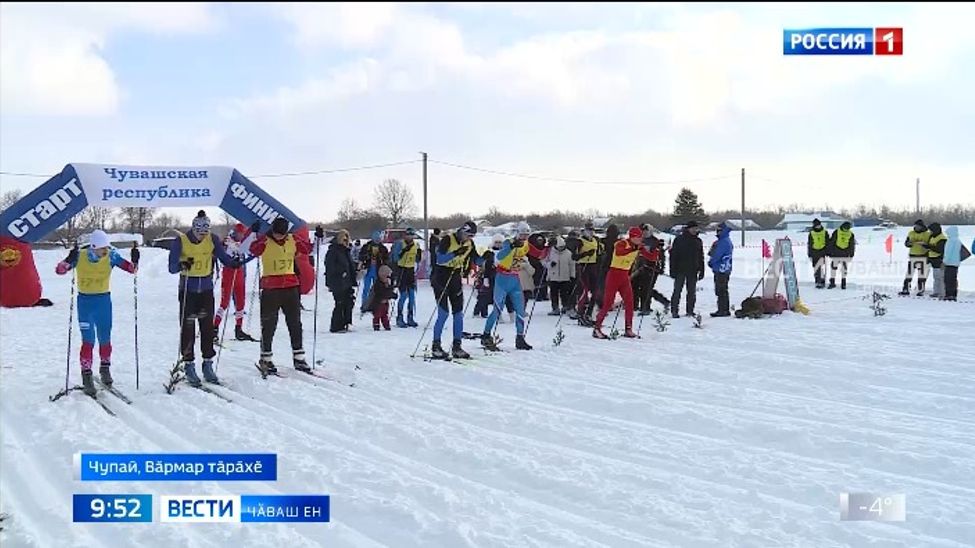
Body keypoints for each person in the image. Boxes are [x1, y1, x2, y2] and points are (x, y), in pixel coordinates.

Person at [55, 230, 138, 396]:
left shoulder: (111, 256)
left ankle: (105, 368)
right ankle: (86, 375)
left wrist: (135, 259)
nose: (105, 252)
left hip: (103, 303)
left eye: (106, 248)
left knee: (105, 338)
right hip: (85, 303)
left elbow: (131, 269)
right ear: (93, 247)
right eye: (102, 249)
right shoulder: (80, 256)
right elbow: (59, 270)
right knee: (88, 341)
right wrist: (68, 260)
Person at [168, 211, 240, 386]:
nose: (202, 236)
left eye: (205, 232)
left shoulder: (212, 239)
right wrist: (182, 265)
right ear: (193, 229)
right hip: (188, 290)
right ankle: (189, 364)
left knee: (207, 328)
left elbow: (223, 258)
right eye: (199, 233)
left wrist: (233, 262)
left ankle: (208, 364)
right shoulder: (181, 241)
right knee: (188, 327)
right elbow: (171, 267)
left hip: (206, 290)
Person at [246, 216, 314, 374]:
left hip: (291, 287)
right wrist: (253, 233)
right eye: (276, 234)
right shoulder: (265, 241)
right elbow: (253, 249)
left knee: (295, 323)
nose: (279, 237)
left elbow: (308, 249)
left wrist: (317, 237)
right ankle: (266, 358)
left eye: (282, 234)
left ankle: (299, 357)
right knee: (269, 324)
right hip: (271, 288)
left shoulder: (293, 239)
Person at [431, 221, 483, 359]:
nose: (470, 238)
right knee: (443, 314)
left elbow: (476, 260)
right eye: (468, 235)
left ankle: (457, 346)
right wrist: (455, 253)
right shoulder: (448, 239)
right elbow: (440, 259)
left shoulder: (470, 244)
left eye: (472, 236)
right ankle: (436, 346)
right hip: (441, 277)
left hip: (455, 277)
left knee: (458, 314)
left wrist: (485, 258)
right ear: (462, 231)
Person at [482, 222, 534, 351]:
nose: (524, 237)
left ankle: (520, 338)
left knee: (520, 310)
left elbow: (533, 254)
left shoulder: (526, 244)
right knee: (497, 309)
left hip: (515, 279)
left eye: (526, 235)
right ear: (517, 233)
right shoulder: (507, 242)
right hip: (502, 279)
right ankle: (486, 335)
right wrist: (511, 246)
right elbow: (499, 256)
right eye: (522, 234)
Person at [593, 227, 643, 339]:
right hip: (614, 275)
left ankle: (628, 329)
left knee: (630, 303)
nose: (640, 239)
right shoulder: (621, 243)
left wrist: (656, 250)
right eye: (638, 237)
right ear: (632, 237)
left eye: (641, 237)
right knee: (608, 303)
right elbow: (620, 252)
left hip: (624, 276)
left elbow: (650, 255)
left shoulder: (637, 245)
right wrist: (634, 248)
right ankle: (597, 328)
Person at [214, 223, 258, 343]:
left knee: (241, 303)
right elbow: (239, 248)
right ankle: (214, 328)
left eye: (242, 234)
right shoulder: (229, 241)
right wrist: (252, 235)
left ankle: (239, 329)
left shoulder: (241, 241)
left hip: (239, 274)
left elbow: (248, 251)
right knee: (225, 303)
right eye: (240, 233)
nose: (241, 236)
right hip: (229, 273)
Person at [669, 221, 704, 319]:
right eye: (693, 228)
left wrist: (702, 270)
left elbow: (701, 257)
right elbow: (673, 256)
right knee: (677, 291)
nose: (695, 230)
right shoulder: (679, 239)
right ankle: (674, 310)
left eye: (696, 228)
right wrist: (672, 270)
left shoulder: (698, 241)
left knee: (691, 292)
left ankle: (690, 310)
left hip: (693, 270)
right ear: (688, 229)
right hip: (680, 269)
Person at [633, 224, 670, 315]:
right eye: (643, 231)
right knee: (638, 287)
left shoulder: (655, 241)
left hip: (651, 268)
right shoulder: (639, 240)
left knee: (647, 288)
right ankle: (638, 306)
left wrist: (661, 267)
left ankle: (645, 308)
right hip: (639, 267)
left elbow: (660, 255)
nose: (644, 233)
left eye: (646, 231)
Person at [325, 229, 357, 333]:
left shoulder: (346, 251)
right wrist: (340, 272)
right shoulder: (333, 251)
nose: (345, 240)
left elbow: (349, 265)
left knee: (348, 302)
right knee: (339, 303)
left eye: (347, 238)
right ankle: (336, 326)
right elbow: (329, 266)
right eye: (344, 238)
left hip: (347, 281)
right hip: (337, 281)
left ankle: (345, 323)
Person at [572, 221, 603, 326]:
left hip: (593, 266)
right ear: (584, 231)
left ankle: (589, 314)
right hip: (583, 266)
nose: (590, 232)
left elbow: (599, 253)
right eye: (588, 230)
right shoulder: (579, 242)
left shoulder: (596, 240)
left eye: (592, 230)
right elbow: (574, 257)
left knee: (595, 291)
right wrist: (585, 254)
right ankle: (581, 314)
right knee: (584, 291)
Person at [391, 227, 421, 328]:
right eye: (408, 235)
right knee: (403, 295)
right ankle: (399, 317)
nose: (409, 237)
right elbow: (395, 258)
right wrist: (404, 251)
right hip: (402, 270)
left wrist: (419, 256)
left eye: (411, 235)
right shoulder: (400, 244)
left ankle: (410, 317)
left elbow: (417, 259)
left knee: (412, 296)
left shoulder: (416, 245)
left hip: (410, 271)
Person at [358, 231, 389, 313]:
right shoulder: (367, 246)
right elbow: (361, 256)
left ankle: (375, 305)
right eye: (376, 238)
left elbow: (386, 259)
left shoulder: (382, 248)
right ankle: (364, 305)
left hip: (378, 271)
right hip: (368, 270)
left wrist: (381, 259)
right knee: (366, 289)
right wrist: (366, 258)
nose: (377, 240)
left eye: (378, 238)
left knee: (376, 289)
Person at [707, 223, 734, 317]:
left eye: (719, 230)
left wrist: (711, 262)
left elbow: (717, 255)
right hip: (724, 268)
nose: (717, 232)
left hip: (721, 269)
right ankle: (723, 309)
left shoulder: (723, 242)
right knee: (722, 290)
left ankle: (723, 310)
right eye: (717, 230)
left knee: (721, 290)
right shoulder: (723, 241)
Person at [474, 235, 503, 318]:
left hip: (501, 276)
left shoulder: (505, 252)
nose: (498, 244)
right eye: (496, 242)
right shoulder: (488, 252)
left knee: (498, 296)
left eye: (499, 242)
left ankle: (497, 314)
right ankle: (479, 311)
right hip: (488, 276)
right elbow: (482, 263)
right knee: (485, 295)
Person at [900, 220, 931, 296]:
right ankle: (905, 289)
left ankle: (920, 290)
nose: (916, 227)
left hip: (923, 256)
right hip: (912, 255)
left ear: (922, 226)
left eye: (918, 226)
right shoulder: (911, 233)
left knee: (921, 275)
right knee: (909, 274)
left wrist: (924, 244)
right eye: (915, 226)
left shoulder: (927, 234)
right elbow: (906, 243)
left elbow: (931, 245)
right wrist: (909, 244)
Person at [546, 237, 575, 316]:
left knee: (564, 294)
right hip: (553, 277)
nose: (561, 249)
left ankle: (565, 306)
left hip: (565, 277)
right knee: (553, 294)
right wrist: (550, 265)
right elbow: (544, 262)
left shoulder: (568, 253)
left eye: (562, 247)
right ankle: (555, 308)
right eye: (559, 247)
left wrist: (572, 275)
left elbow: (572, 265)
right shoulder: (550, 252)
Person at [364, 264, 396, 331]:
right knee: (377, 315)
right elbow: (382, 293)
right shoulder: (378, 284)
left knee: (385, 315)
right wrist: (390, 294)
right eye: (387, 277)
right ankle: (376, 325)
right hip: (378, 303)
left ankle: (386, 325)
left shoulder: (387, 284)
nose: (388, 279)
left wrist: (393, 294)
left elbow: (389, 291)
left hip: (385, 304)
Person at [827, 221, 856, 289]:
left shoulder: (837, 232)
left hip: (836, 253)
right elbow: (851, 245)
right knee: (843, 269)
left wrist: (829, 252)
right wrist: (851, 254)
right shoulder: (850, 234)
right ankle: (843, 284)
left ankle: (832, 283)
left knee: (834, 269)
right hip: (845, 254)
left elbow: (832, 242)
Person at [941, 226, 967, 302]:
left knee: (948, 279)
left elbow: (948, 253)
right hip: (956, 263)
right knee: (953, 279)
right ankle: (953, 294)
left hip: (949, 263)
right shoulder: (958, 240)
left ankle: (948, 294)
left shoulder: (950, 241)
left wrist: (944, 262)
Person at [926, 222, 947, 299]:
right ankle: (936, 292)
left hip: (939, 259)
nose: (930, 232)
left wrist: (928, 247)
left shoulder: (942, 238)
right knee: (936, 277)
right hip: (932, 259)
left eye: (931, 230)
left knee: (940, 277)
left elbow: (940, 249)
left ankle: (941, 293)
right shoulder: (932, 236)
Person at [807, 218, 830, 289]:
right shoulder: (811, 233)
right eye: (816, 225)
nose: (818, 226)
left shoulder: (824, 232)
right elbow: (810, 243)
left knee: (820, 266)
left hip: (822, 251)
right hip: (814, 251)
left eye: (819, 225)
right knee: (816, 267)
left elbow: (827, 242)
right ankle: (818, 280)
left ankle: (821, 281)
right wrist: (809, 253)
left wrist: (828, 251)